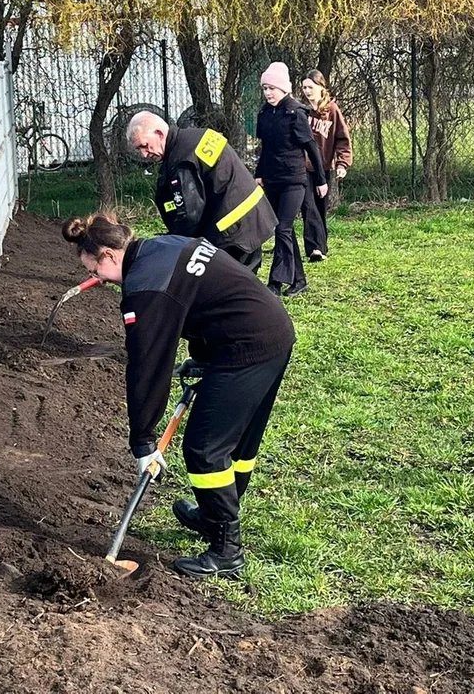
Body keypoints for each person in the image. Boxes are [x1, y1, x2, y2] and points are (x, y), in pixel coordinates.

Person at [61, 212, 295, 579]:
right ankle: (215, 516)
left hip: (246, 347)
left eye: (96, 271)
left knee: (205, 448)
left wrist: (142, 442)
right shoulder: (160, 245)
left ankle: (225, 551)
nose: (97, 280)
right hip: (269, 329)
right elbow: (205, 296)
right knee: (237, 444)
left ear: (108, 254)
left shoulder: (145, 287)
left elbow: (147, 367)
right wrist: (203, 357)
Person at [127, 111, 277, 274]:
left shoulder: (182, 159)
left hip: (233, 234)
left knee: (234, 290)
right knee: (247, 285)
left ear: (159, 133)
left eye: (144, 145)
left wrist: (174, 244)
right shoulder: (197, 136)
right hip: (252, 218)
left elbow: (190, 214)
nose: (144, 154)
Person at [255, 62, 327, 297]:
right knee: (283, 230)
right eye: (265, 88)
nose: (268, 93)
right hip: (272, 179)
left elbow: (312, 148)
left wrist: (320, 179)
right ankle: (299, 280)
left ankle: (275, 282)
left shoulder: (295, 113)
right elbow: (265, 148)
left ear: (283, 89)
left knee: (282, 227)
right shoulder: (264, 114)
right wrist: (259, 173)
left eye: (272, 88)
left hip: (294, 180)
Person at [300, 69, 353, 262]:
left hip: (324, 167)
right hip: (303, 167)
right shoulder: (302, 112)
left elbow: (342, 138)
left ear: (321, 88)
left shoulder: (332, 111)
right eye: (304, 87)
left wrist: (342, 163)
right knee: (308, 206)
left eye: (310, 87)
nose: (307, 91)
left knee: (320, 207)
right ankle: (314, 248)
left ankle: (321, 247)